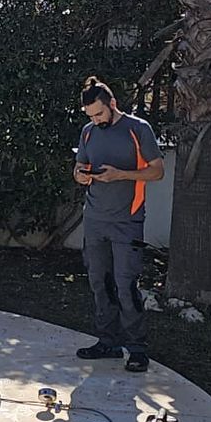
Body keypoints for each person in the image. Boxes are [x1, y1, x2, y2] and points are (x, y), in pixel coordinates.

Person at [72, 76, 164, 372]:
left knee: (126, 285)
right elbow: (79, 165)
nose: (96, 120)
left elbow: (157, 171)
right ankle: (107, 343)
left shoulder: (138, 129)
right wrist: (80, 175)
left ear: (112, 104)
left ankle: (137, 349)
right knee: (100, 283)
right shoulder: (88, 132)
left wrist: (120, 175)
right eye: (90, 116)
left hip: (128, 221)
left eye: (99, 113)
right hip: (94, 220)